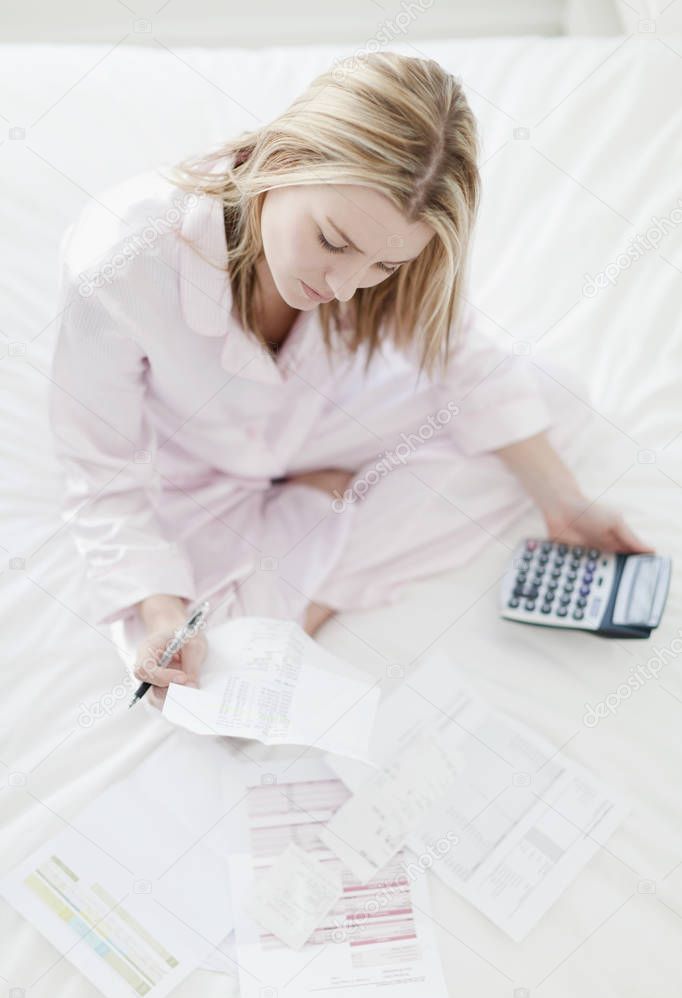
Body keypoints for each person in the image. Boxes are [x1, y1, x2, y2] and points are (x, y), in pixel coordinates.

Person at [48, 52, 651, 710]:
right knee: (208, 694)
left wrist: (566, 504)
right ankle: (312, 544)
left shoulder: (382, 255)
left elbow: (464, 360)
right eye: (332, 241)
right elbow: (101, 469)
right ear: (281, 161)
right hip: (191, 478)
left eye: (384, 264)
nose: (342, 286)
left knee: (555, 401)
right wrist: (166, 617)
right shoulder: (121, 258)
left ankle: (316, 560)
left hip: (317, 423)